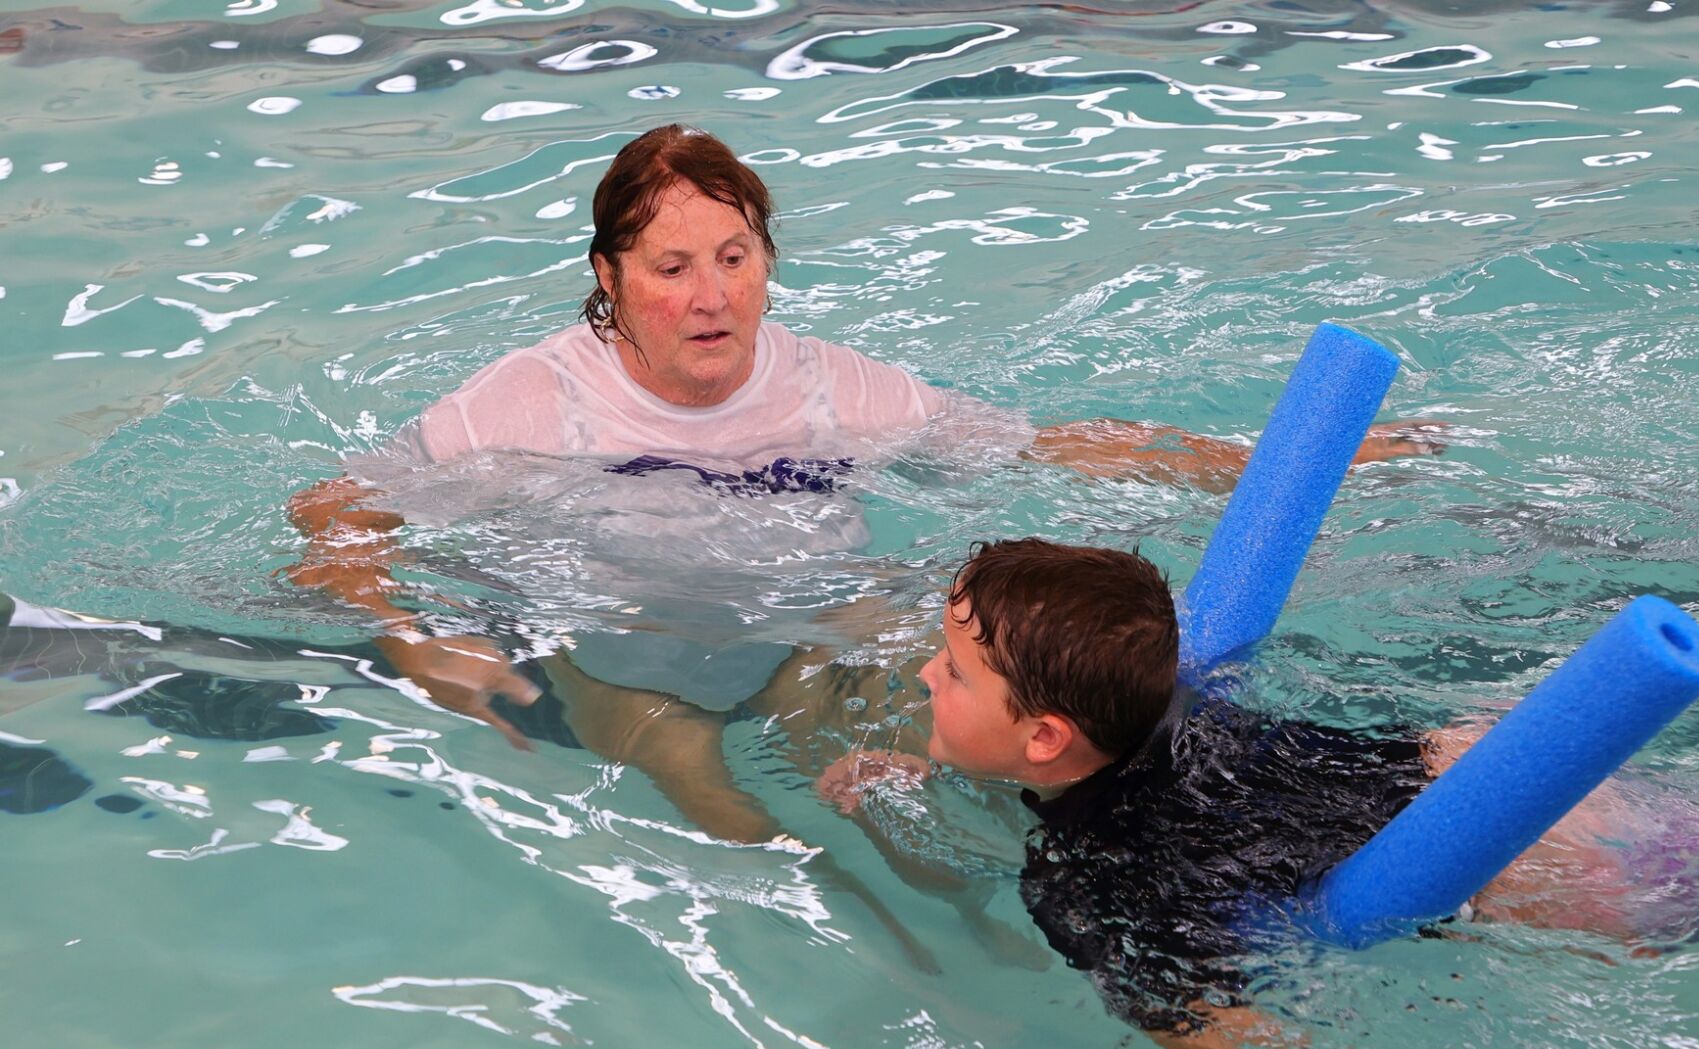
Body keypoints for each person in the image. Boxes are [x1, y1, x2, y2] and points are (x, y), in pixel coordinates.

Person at [285, 124, 1439, 843]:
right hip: (628, 652)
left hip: (813, 636)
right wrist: (404, 634)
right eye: (671, 267)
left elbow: (1046, 443)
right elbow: (332, 510)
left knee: (958, 823)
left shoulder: (830, 389)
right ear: (609, 275)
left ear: (768, 263)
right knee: (747, 840)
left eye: (735, 260)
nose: (710, 297)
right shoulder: (529, 403)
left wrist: (1276, 464)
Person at [814, 538, 1699, 1049]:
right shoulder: (1165, 695)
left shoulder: (1087, 879)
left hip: (1529, 879)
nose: (926, 674)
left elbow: (1222, 1043)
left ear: (1048, 738)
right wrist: (931, 765)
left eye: (953, 672)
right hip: (1489, 765)